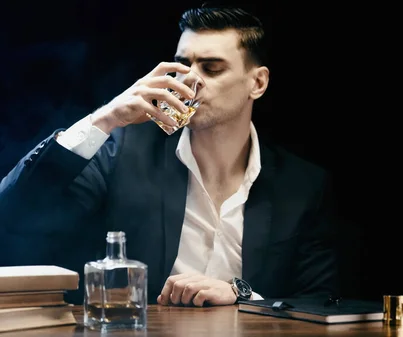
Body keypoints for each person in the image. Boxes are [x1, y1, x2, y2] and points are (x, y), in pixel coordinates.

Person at [0, 5, 340, 307]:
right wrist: (105, 119)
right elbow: (14, 212)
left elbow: (323, 302)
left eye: (211, 68)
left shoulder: (302, 185)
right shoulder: (122, 153)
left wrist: (242, 295)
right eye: (182, 65)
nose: (189, 80)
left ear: (258, 83)